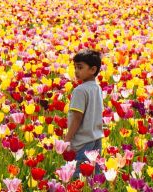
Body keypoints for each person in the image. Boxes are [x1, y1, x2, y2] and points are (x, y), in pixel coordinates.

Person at [64, 49, 104, 179]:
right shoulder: (97, 88)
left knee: (79, 178)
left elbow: (77, 117)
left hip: (82, 142)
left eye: (80, 67)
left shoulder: (79, 90)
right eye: (75, 67)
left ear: (93, 70)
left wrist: (67, 140)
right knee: (94, 177)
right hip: (96, 139)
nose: (76, 71)